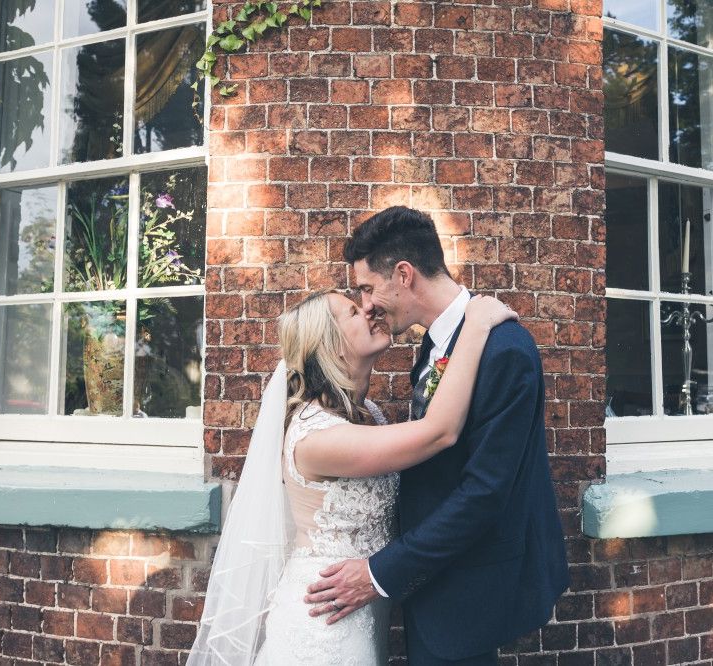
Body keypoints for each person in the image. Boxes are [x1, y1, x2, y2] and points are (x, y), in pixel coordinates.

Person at [187, 287, 517, 665]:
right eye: (354, 312)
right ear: (330, 344)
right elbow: (440, 432)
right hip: (324, 620)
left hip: (363, 610)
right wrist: (474, 326)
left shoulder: (370, 414)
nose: (371, 311)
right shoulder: (317, 439)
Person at [305, 206, 570, 665]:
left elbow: (485, 492)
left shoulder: (504, 350)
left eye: (368, 288)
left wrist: (381, 573)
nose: (366, 305)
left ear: (404, 275)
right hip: (429, 580)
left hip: (467, 591)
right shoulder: (436, 343)